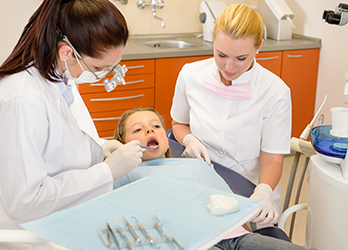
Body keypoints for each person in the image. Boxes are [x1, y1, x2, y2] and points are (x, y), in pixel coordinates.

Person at [0, 0, 145, 232]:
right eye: (99, 68)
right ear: (67, 52)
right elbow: (24, 202)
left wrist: (101, 148)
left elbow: (57, 145)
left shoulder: (57, 78)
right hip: (33, 232)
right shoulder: (23, 100)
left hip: (63, 214)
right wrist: (106, 172)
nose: (102, 75)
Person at [113, 107, 315, 250]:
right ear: (121, 144)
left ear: (167, 141)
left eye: (156, 126)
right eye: (137, 129)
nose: (149, 130)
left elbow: (227, 203)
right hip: (190, 242)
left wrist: (246, 222)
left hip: (236, 237)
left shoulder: (193, 165)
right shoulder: (123, 175)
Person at [170, 4, 292, 226]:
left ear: (259, 47)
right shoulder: (190, 74)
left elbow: (273, 158)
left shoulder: (275, 92)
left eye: (241, 58)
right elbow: (178, 123)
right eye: (221, 54)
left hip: (248, 189)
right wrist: (188, 139)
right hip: (200, 183)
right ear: (213, 43)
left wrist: (262, 193)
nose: (229, 66)